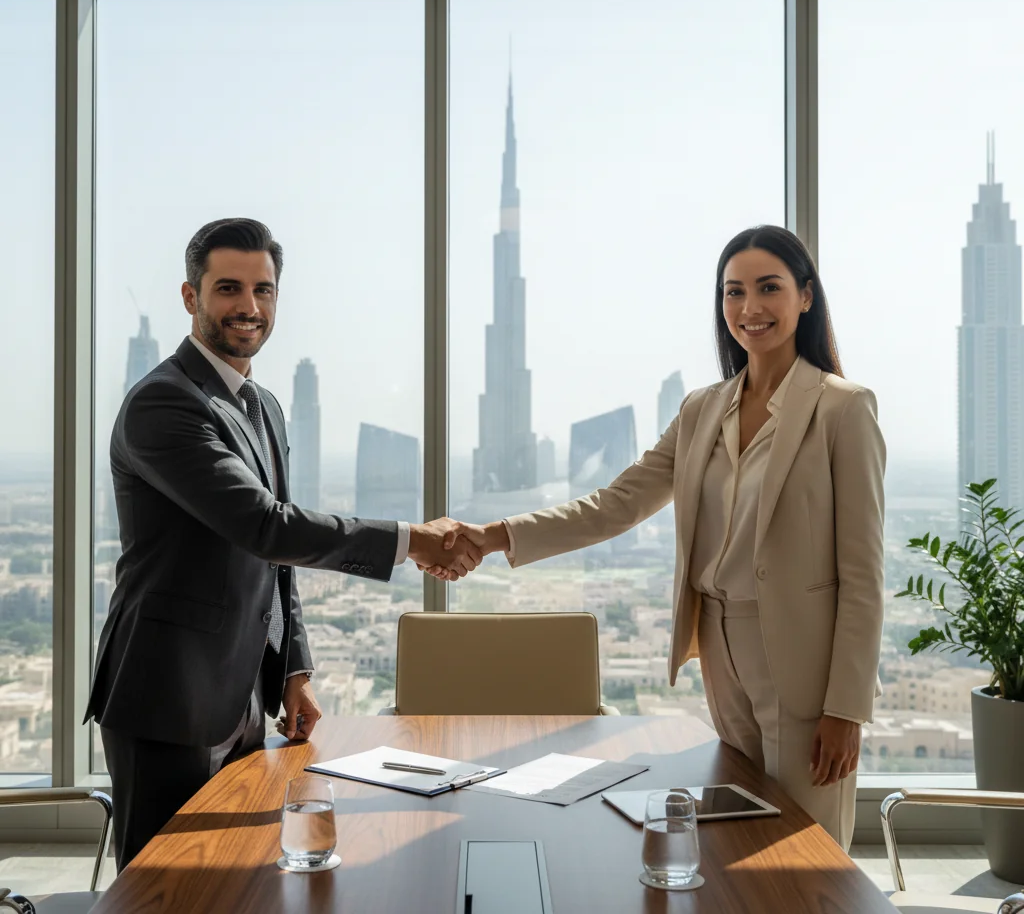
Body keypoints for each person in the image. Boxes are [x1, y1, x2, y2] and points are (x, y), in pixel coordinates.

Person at [430, 225, 885, 851]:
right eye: (734, 292)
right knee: (737, 837)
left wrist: (847, 708)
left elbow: (862, 574)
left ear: (805, 297)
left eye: (769, 288)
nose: (750, 308)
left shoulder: (843, 408)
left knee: (804, 853)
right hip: (721, 650)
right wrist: (493, 535)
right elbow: (616, 505)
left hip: (804, 661)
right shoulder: (703, 408)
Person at [86, 218, 479, 871]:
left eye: (263, 291)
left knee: (240, 876)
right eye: (228, 289)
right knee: (165, 888)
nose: (248, 307)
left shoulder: (262, 405)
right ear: (191, 297)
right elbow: (265, 525)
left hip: (240, 694)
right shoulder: (163, 403)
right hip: (166, 694)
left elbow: (275, 557)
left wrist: (293, 670)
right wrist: (410, 541)